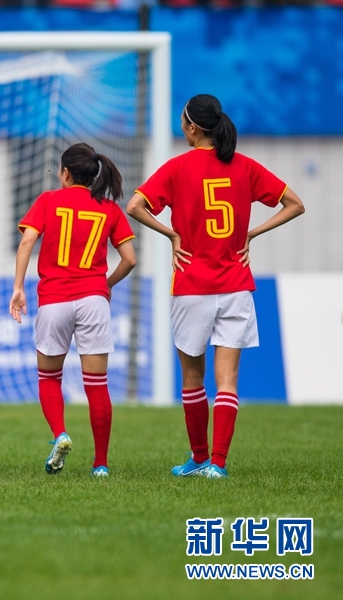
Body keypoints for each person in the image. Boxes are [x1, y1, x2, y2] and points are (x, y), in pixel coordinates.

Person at [126, 94, 305, 479]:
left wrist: (171, 235)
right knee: (228, 381)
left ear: (192, 127)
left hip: (192, 285)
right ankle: (218, 465)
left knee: (193, 377)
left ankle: (198, 458)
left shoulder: (177, 168)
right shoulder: (244, 166)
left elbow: (134, 206)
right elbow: (295, 204)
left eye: (182, 122)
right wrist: (252, 233)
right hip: (236, 285)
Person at [10, 143, 136, 477]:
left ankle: (60, 434)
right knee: (97, 384)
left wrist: (18, 288)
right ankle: (101, 464)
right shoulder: (109, 209)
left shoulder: (48, 200)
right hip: (94, 300)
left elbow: (26, 242)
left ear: (65, 173)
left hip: (55, 300)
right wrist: (106, 284)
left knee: (49, 378)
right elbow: (130, 259)